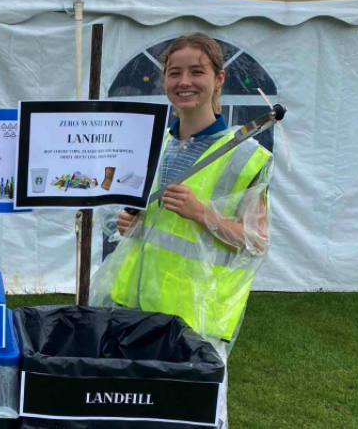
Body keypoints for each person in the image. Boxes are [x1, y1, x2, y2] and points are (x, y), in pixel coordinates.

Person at [92, 32, 273, 428]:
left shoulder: (246, 155)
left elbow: (257, 242)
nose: (184, 81)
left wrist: (202, 213)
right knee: (134, 416)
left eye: (197, 71)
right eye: (174, 73)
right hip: (133, 308)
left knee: (192, 417)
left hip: (196, 319)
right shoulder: (151, 144)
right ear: (165, 82)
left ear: (219, 79)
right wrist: (130, 224)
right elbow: (148, 222)